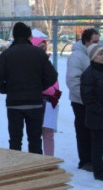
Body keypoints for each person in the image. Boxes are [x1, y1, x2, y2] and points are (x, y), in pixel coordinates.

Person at [0, 22, 57, 154]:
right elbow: (52, 75)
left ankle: (17, 168)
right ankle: (35, 169)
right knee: (35, 140)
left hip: (14, 104)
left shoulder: (7, 55)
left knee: (15, 141)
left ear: (14, 36)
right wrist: (39, 87)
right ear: (29, 37)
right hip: (35, 103)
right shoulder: (38, 53)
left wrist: (7, 89)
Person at [66, 28, 101, 171]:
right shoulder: (77, 56)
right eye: (95, 41)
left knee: (96, 132)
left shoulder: (98, 53)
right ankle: (85, 160)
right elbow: (73, 81)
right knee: (83, 131)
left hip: (95, 102)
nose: (99, 44)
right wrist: (87, 99)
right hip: (81, 102)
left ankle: (96, 159)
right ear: (86, 41)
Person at [31, 37, 62, 156]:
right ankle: (38, 160)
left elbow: (54, 81)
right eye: (40, 47)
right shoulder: (31, 65)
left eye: (44, 47)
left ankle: (49, 159)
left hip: (50, 103)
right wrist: (51, 91)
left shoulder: (47, 63)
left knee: (49, 134)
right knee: (36, 134)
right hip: (38, 102)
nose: (42, 50)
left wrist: (56, 92)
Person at [80, 43, 103, 181]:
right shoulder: (89, 74)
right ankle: (99, 171)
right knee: (97, 145)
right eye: (100, 54)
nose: (102, 57)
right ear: (93, 57)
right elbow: (87, 98)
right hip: (96, 117)